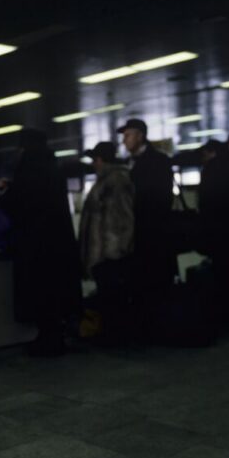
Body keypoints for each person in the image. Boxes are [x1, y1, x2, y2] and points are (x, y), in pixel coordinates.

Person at [0, 128, 81, 356]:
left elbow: (18, 200)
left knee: (40, 292)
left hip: (37, 244)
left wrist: (4, 197)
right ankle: (55, 337)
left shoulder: (29, 167)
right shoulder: (53, 166)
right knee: (55, 292)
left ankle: (47, 340)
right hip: (58, 242)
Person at [78, 141, 135, 343]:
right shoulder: (107, 179)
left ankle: (116, 335)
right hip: (105, 251)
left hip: (111, 252)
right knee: (109, 295)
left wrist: (117, 250)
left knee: (113, 296)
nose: (93, 163)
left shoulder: (116, 180)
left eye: (95, 159)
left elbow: (124, 218)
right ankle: (113, 333)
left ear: (101, 160)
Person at [118, 118, 176, 302]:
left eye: (127, 135)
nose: (124, 140)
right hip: (138, 235)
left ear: (140, 136)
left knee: (156, 285)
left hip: (153, 233)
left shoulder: (158, 161)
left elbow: (160, 198)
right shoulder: (128, 163)